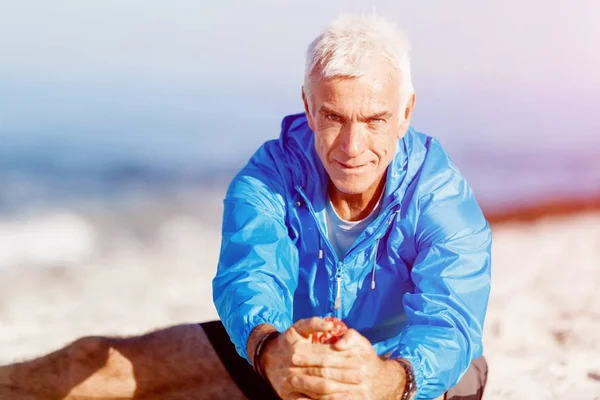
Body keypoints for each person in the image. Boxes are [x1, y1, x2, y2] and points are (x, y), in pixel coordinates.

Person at [0, 13, 491, 400]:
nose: (352, 146)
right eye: (334, 117)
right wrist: (269, 347)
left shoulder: (441, 194)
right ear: (307, 105)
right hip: (286, 350)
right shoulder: (268, 177)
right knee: (93, 363)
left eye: (375, 119)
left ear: (406, 112)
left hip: (414, 375)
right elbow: (250, 277)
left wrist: (385, 380)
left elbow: (451, 319)